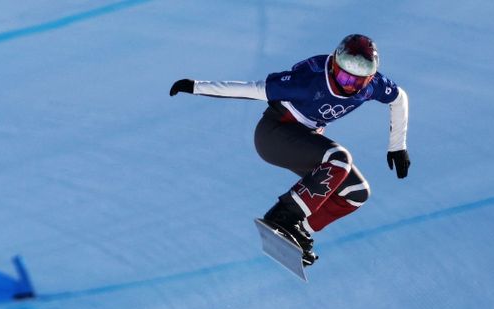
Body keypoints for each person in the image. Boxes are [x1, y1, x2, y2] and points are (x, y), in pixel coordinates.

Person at [170, 34, 410, 266]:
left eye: (359, 81)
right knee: (339, 159)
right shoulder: (309, 80)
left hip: (303, 140)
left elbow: (399, 99)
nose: (350, 86)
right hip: (274, 134)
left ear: (370, 77)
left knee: (356, 193)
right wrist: (196, 86)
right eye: (345, 79)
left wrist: (397, 146)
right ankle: (281, 216)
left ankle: (298, 230)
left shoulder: (374, 86)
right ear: (334, 66)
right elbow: (252, 89)